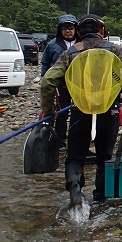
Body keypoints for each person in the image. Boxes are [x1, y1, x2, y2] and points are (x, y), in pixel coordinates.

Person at [40, 14, 122, 207]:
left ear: (79, 33)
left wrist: (49, 110)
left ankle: (76, 195)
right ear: (102, 31)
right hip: (109, 111)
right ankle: (100, 200)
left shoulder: (70, 52)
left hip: (80, 111)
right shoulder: (115, 49)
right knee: (104, 157)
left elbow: (47, 81)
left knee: (75, 157)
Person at [40, 14, 78, 150]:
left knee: (78, 112)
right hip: (60, 84)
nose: (68, 31)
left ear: (75, 29)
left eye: (70, 28)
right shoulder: (52, 45)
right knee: (61, 113)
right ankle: (60, 141)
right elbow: (45, 63)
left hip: (78, 84)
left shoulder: (81, 43)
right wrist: (44, 78)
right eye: (64, 28)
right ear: (60, 30)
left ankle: (75, 141)